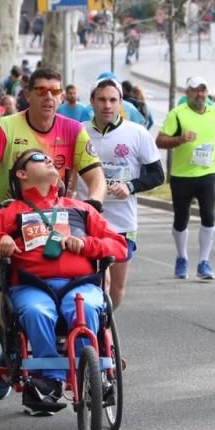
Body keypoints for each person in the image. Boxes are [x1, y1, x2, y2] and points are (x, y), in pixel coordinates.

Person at [0, 148, 127, 413]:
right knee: (37, 312)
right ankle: (48, 380)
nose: (49, 161)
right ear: (21, 173)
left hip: (81, 284)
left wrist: (86, 244)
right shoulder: (8, 214)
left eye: (52, 160)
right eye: (40, 159)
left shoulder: (81, 209)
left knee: (83, 309)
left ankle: (91, 375)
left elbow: (120, 246)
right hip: (33, 286)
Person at [77, 76, 164, 308]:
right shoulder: (78, 132)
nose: (107, 106)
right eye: (102, 100)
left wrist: (130, 186)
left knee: (116, 288)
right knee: (97, 281)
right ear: (92, 101)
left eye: (113, 100)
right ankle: (93, 329)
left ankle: (106, 328)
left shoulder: (137, 133)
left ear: (121, 103)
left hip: (123, 221)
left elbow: (158, 175)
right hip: (87, 219)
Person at [0, 68, 106, 210]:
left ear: (61, 97)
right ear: (28, 95)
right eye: (41, 90)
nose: (49, 97)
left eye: (55, 91)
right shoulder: (5, 126)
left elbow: (96, 176)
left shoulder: (74, 130)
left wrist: (95, 201)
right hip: (8, 219)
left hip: (56, 221)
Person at [155, 76, 215, 280]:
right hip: (182, 175)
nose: (200, 94)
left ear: (207, 93)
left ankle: (204, 262)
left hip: (207, 173)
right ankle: (182, 257)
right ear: (187, 93)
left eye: (203, 90)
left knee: (208, 215)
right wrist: (180, 139)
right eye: (195, 90)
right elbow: (160, 140)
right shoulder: (177, 114)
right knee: (181, 219)